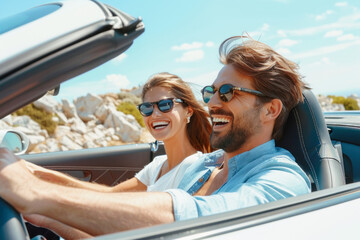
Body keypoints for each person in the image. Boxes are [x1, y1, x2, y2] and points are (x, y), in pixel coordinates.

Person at [0, 35, 311, 238]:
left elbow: (196, 219)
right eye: (211, 92)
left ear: (270, 110)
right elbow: (124, 218)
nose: (213, 102)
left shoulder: (282, 178)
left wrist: (36, 193)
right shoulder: (204, 165)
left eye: (228, 93)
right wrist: (43, 211)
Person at [26, 72, 212, 193]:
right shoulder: (157, 166)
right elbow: (112, 196)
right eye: (147, 108)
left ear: (188, 110)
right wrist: (39, 176)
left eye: (165, 105)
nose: (155, 114)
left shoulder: (194, 167)